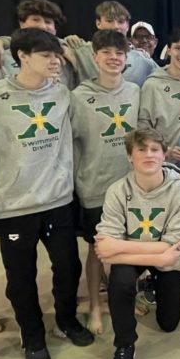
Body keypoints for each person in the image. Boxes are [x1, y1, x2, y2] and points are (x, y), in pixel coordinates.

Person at [0, 28, 94, 359]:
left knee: (68, 267)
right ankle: (32, 335)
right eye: (46, 55)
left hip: (58, 199)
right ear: (22, 57)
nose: (55, 61)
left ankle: (66, 321)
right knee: (21, 277)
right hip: (14, 205)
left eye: (56, 55)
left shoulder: (62, 94)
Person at [94, 128, 180, 359]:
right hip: (153, 255)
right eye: (141, 149)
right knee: (120, 283)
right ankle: (124, 346)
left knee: (169, 324)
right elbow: (104, 246)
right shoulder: (118, 190)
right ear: (130, 156)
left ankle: (156, 280)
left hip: (159, 255)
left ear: (164, 154)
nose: (148, 155)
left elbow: (174, 246)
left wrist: (120, 247)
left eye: (154, 149)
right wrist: (159, 257)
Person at [70, 29, 140, 334]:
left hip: (131, 184)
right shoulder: (79, 97)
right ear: (94, 57)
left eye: (119, 53)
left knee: (129, 246)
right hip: (96, 185)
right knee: (98, 249)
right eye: (106, 52)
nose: (113, 58)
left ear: (126, 58)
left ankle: (123, 298)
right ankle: (96, 306)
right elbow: (69, 143)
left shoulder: (135, 91)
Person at [138, 28, 180, 291]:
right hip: (162, 164)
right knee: (156, 220)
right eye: (179, 48)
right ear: (169, 50)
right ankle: (151, 273)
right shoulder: (153, 84)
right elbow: (143, 127)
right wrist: (165, 151)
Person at [0, 0, 77, 88]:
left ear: (55, 29)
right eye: (35, 20)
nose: (42, 26)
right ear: (22, 24)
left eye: (48, 22)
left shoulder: (70, 50)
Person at [68, 1, 158, 87]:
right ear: (98, 23)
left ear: (127, 25)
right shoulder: (80, 52)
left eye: (120, 21)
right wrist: (64, 46)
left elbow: (163, 78)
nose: (116, 26)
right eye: (110, 21)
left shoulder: (141, 59)